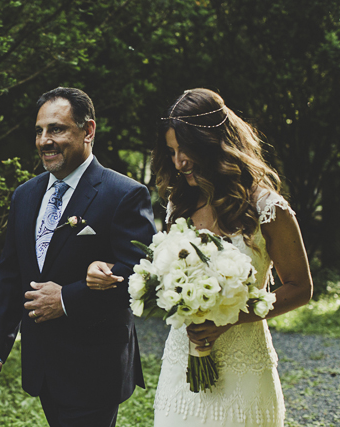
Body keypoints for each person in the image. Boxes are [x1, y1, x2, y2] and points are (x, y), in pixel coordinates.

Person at [86, 88, 313, 426]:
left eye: (187, 149)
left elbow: (300, 287)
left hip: (244, 368)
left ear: (215, 142)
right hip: (181, 366)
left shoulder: (268, 207)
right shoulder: (180, 205)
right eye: (173, 151)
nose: (179, 162)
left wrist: (231, 317)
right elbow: (155, 270)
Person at [0, 87, 157, 427]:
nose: (44, 140)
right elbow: (9, 276)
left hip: (94, 368)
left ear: (88, 131)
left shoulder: (125, 195)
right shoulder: (25, 196)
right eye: (39, 131)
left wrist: (66, 298)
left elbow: (141, 275)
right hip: (43, 368)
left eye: (56, 129)